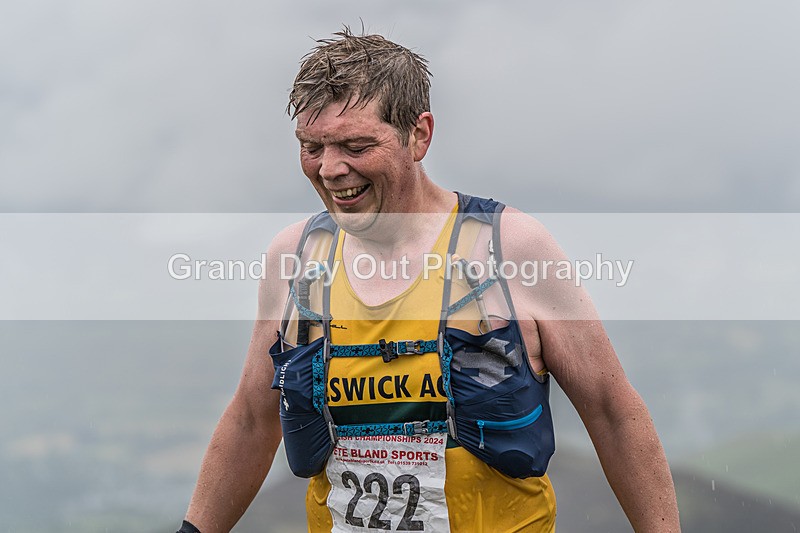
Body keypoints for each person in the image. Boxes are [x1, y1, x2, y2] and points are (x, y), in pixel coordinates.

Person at [178, 28, 680, 533]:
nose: (330, 169)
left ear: (419, 135)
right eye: (311, 147)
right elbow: (251, 420)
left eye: (356, 145)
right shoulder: (296, 257)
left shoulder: (508, 246)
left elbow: (613, 413)